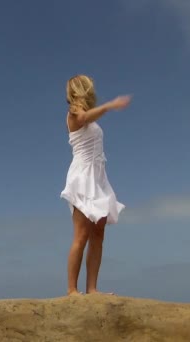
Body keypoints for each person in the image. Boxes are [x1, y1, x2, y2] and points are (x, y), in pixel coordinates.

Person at [60, 74, 130, 296]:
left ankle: (92, 288)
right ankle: (72, 290)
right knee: (81, 235)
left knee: (98, 234)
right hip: (82, 177)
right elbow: (83, 118)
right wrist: (110, 105)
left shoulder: (89, 115)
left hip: (98, 177)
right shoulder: (74, 112)